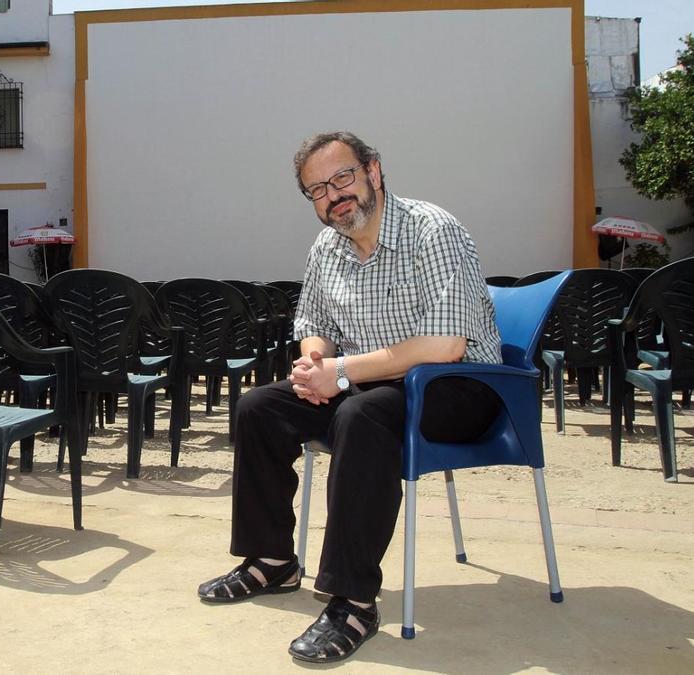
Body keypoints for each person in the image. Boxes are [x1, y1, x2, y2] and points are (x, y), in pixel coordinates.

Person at [196, 131, 504, 663]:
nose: (333, 195)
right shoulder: (328, 246)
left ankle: (353, 600)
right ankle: (271, 560)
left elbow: (444, 345)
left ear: (373, 172)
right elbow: (313, 321)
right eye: (317, 189)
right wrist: (315, 359)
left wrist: (339, 372)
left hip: (461, 387)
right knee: (259, 407)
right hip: (370, 382)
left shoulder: (432, 230)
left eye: (342, 177)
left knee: (363, 416)